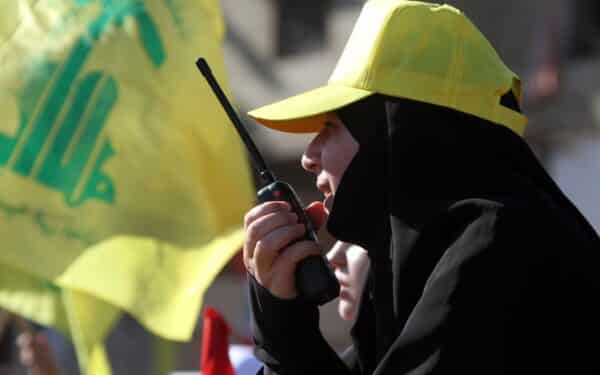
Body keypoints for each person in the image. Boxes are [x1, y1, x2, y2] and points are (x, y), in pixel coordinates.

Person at [243, 1, 600, 374]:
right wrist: (279, 313)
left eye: (331, 127)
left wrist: (285, 334)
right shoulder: (416, 264)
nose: (308, 156)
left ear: (398, 135)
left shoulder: (499, 243)